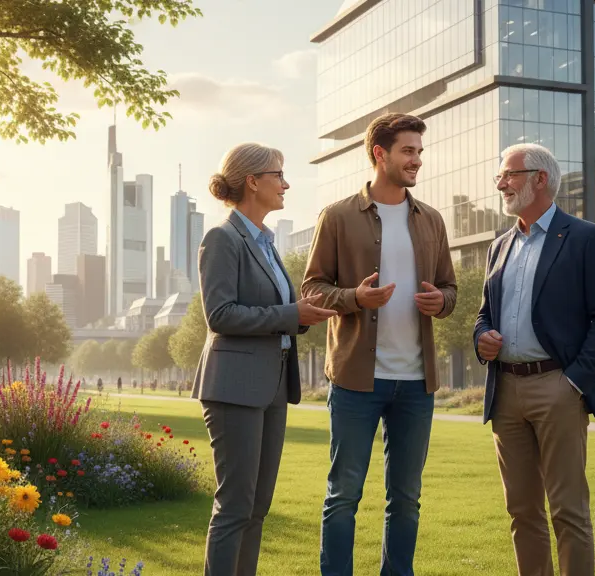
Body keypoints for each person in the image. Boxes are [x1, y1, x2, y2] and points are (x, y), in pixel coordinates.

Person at [302, 113, 457, 576]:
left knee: (406, 499)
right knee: (344, 494)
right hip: (354, 381)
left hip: (416, 383)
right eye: (408, 151)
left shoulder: (431, 219)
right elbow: (311, 289)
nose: (417, 160)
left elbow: (451, 289)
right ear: (379, 154)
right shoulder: (337, 216)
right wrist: (355, 298)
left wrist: (440, 302)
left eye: (420, 152)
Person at [473, 143, 595, 576]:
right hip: (506, 391)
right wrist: (482, 337)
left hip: (559, 387)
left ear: (540, 178)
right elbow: (484, 314)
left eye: (509, 175)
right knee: (522, 511)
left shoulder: (585, 238)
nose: (501, 183)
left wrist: (574, 381)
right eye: (500, 176)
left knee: (568, 511)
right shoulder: (498, 245)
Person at [194, 142, 336, 576]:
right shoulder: (221, 238)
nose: (286, 183)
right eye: (279, 175)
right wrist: (290, 314)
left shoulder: (268, 244)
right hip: (235, 386)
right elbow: (220, 315)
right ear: (252, 181)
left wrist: (302, 314)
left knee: (257, 507)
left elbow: (276, 311)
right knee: (235, 506)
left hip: (272, 385)